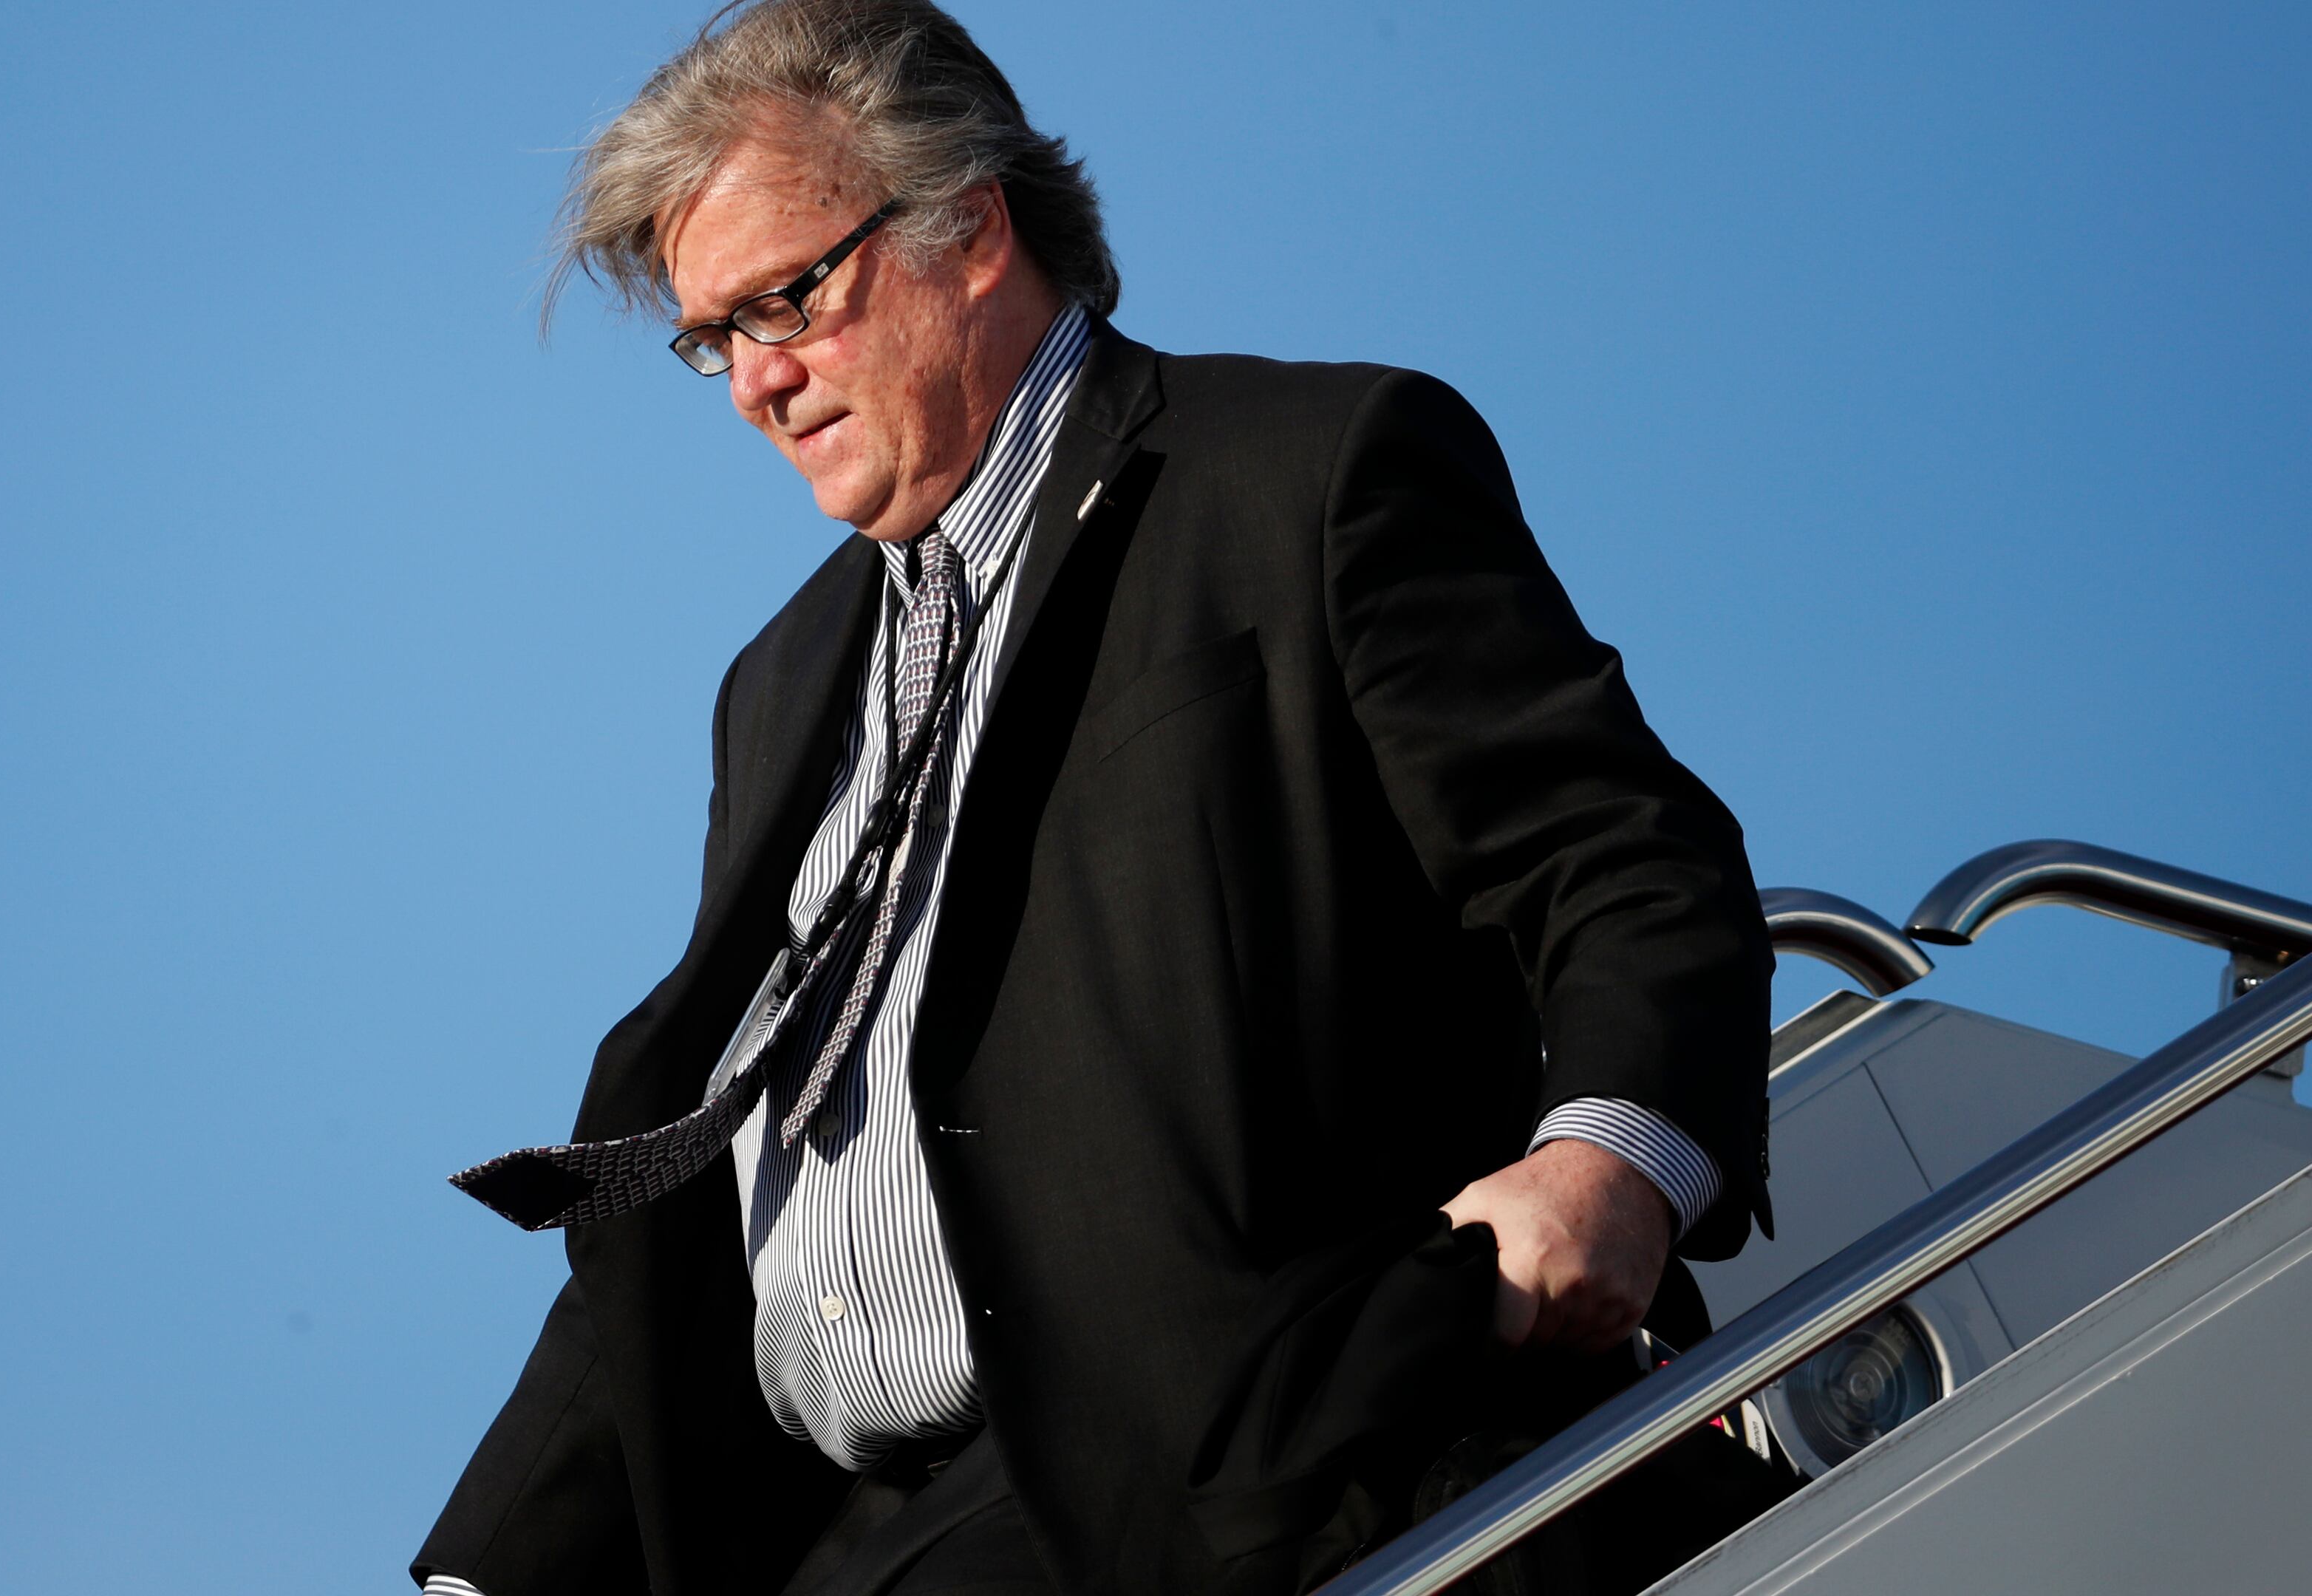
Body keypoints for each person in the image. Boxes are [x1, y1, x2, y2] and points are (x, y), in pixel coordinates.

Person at [419, 4, 1774, 1593]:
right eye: (714, 340)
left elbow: (1625, 863)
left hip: (1270, 1478)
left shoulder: (1307, 471)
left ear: (970, 229)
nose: (755, 386)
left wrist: (1610, 1160)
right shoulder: (779, 684)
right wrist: (495, 1574)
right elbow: (720, 1155)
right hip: (855, 1542)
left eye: (786, 302)